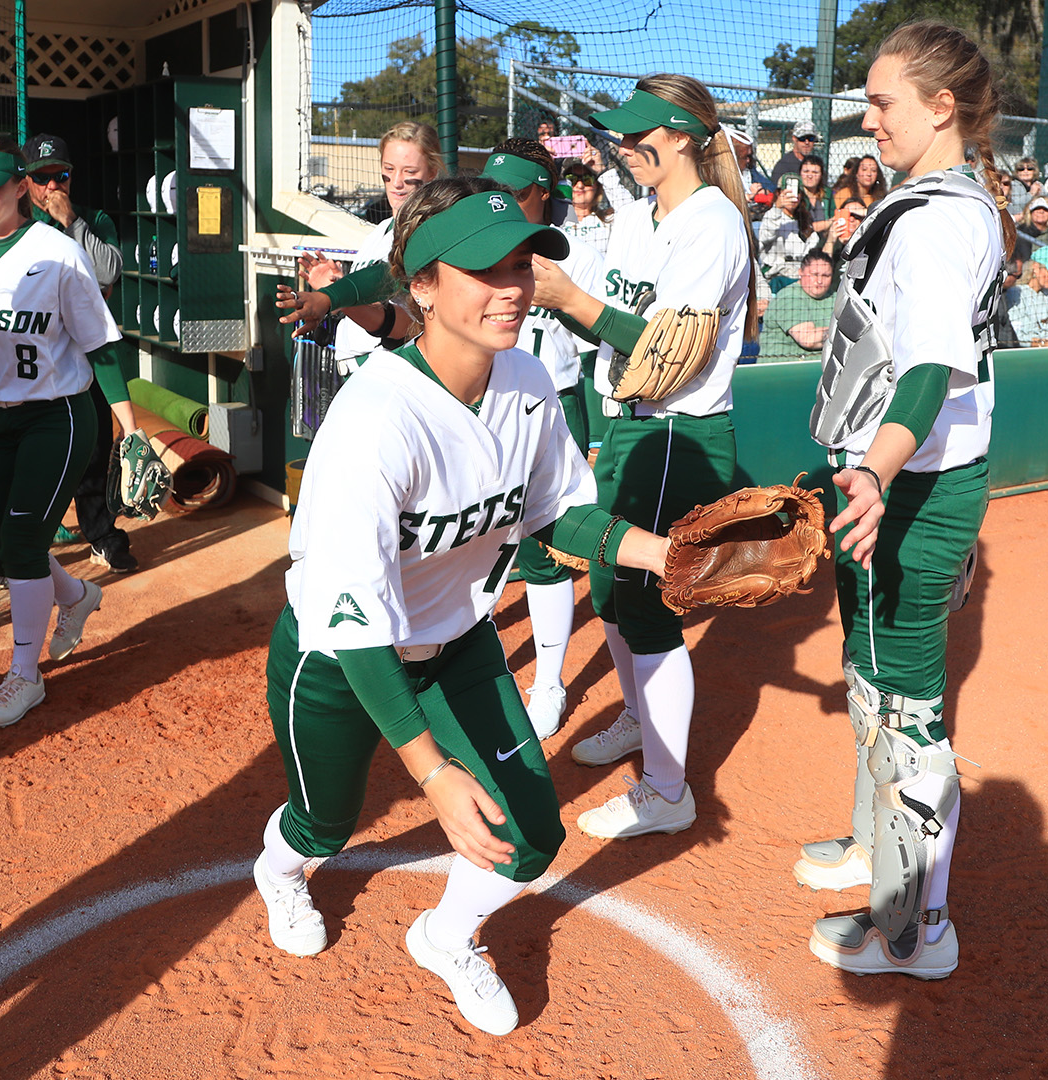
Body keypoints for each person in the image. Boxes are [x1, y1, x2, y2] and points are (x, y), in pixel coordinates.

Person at [250, 175, 673, 1036]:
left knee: (529, 836)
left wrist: (673, 558)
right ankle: (281, 869)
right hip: (340, 658)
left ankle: (446, 935)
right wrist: (434, 775)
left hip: (454, 641)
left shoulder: (524, 381)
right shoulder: (373, 420)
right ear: (423, 287)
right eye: (483, 270)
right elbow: (357, 624)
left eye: (522, 263)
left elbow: (563, 513)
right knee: (326, 825)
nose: (512, 286)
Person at [798, 19, 1011, 981]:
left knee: (905, 713)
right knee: (872, 676)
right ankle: (876, 847)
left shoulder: (932, 221)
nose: (867, 119)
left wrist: (876, 471)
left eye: (883, 102)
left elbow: (928, 371)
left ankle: (916, 927)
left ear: (942, 105)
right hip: (905, 480)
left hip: (909, 488)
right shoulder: (950, 202)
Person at [530, 73, 757, 840]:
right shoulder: (633, 217)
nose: (623, 148)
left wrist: (570, 300)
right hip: (629, 425)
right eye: (621, 135)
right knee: (610, 587)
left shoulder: (713, 223)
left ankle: (667, 790)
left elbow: (674, 355)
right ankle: (637, 718)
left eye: (640, 135)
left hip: (676, 433)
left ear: (684, 136)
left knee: (647, 603)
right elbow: (612, 332)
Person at [0, 137, 136, 729]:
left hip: (59, 416)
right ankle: (74, 596)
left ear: (21, 187)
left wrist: (132, 429)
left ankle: (24, 674)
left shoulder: (60, 253)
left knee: (20, 546)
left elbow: (102, 347)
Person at [478, 142, 607, 739]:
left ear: (541, 192)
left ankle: (549, 682)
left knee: (543, 548)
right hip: (481, 405)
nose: (499, 199)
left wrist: (595, 437)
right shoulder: (476, 239)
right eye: (491, 187)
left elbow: (595, 353)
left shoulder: (576, 252)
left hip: (552, 404)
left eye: (515, 191)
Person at [22, 134, 137, 574]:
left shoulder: (94, 220)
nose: (53, 186)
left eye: (61, 176)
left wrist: (72, 223)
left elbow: (107, 272)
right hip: (38, 361)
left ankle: (102, 536)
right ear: (26, 181)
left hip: (86, 357)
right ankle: (23, 547)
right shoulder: (16, 227)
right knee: (35, 460)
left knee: (92, 452)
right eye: (42, 177)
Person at [273, 123, 447, 370]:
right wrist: (337, 284)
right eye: (389, 169)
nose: (397, 182)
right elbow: (366, 299)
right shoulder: (383, 228)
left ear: (431, 173)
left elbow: (389, 284)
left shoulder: (428, 228)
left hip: (389, 364)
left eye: (409, 171)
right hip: (357, 362)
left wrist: (331, 297)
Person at [760, 251, 836, 362]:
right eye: (814, 274)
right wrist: (844, 333)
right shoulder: (789, 296)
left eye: (826, 276)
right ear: (800, 272)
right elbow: (808, 339)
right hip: (780, 371)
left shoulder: (835, 297)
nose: (819, 281)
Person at [759, 179, 819, 293]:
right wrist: (777, 207)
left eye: (796, 193)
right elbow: (766, 236)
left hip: (801, 274)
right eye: (787, 193)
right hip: (775, 276)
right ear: (778, 193)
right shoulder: (771, 216)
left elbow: (812, 245)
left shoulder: (805, 219)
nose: (792, 197)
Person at [559, 164, 615, 255]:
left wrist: (603, 171)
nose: (580, 185)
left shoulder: (609, 220)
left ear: (597, 186)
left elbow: (630, 211)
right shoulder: (552, 220)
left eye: (587, 179)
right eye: (571, 179)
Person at [770, 119, 821, 190]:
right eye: (802, 138)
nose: (807, 142)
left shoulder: (817, 164)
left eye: (811, 138)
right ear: (794, 138)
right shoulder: (784, 165)